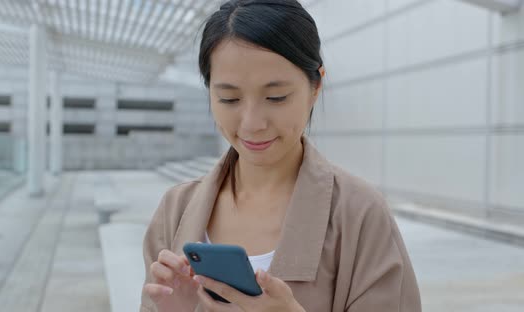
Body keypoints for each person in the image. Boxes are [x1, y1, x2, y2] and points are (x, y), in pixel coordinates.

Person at [141, 0, 422, 311]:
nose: (252, 124)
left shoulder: (359, 215)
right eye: (229, 98)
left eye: (276, 97)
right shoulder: (175, 210)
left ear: (315, 86)